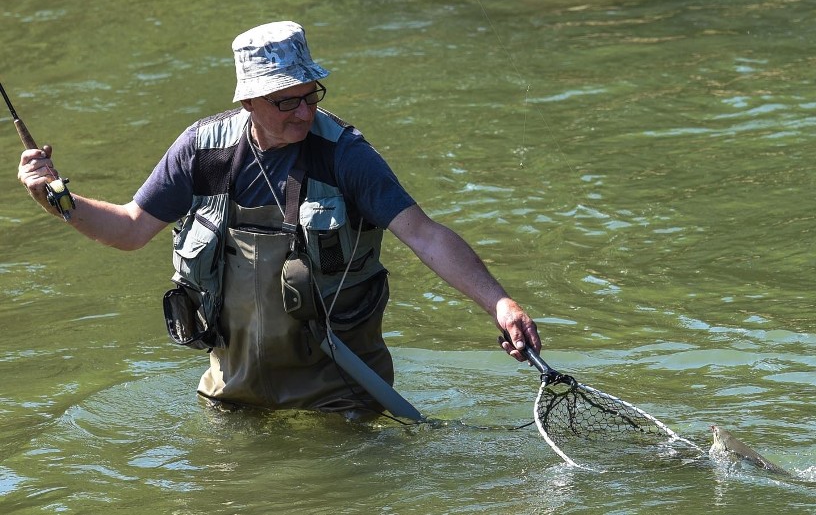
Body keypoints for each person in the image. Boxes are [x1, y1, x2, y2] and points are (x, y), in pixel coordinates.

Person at [17, 21, 541, 415]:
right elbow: (129, 230)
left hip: (341, 395)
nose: (304, 112)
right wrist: (60, 201)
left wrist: (500, 302)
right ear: (248, 100)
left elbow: (424, 235)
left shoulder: (345, 154)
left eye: (310, 94)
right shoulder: (202, 151)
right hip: (233, 392)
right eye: (285, 100)